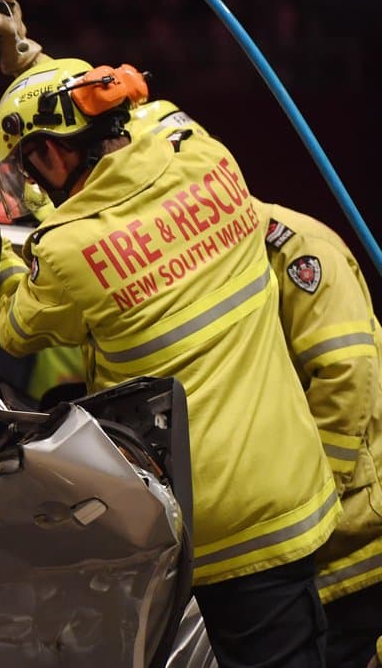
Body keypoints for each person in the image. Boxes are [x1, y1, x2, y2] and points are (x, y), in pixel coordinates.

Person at [0, 0, 344, 667]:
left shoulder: (67, 249)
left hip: (203, 522)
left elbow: (15, 326)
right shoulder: (204, 153)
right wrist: (31, 63)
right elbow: (123, 122)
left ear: (51, 159)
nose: (32, 188)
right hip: (287, 490)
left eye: (28, 168)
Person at [132, 99, 382, 668]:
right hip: (289, 555)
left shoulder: (293, 246)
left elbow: (346, 379)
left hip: (352, 547)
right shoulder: (189, 267)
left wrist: (314, 506)